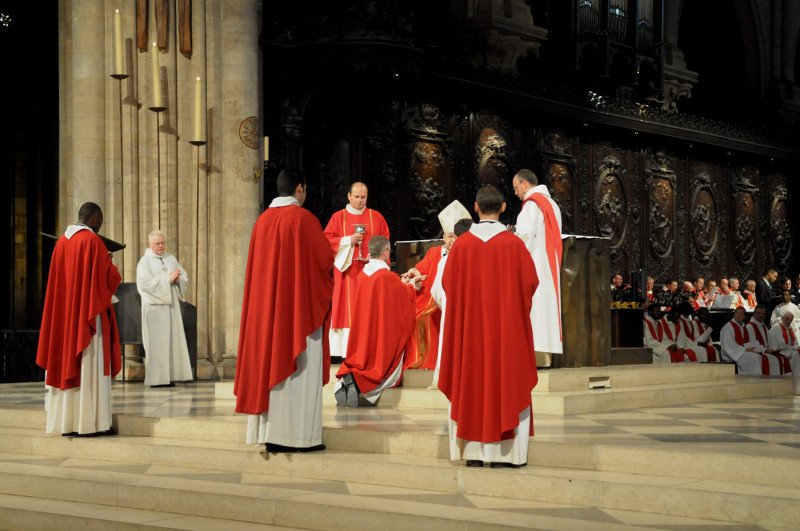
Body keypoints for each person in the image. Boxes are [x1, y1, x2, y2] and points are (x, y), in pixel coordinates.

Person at [234, 169, 334, 452]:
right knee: (300, 372)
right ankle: (299, 438)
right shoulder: (304, 220)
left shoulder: (262, 222)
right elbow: (324, 263)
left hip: (268, 315)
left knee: (271, 363)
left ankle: (271, 433)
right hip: (299, 316)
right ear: (299, 189)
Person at [439, 184, 538, 469]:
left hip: (471, 338)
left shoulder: (462, 247)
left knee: (471, 379)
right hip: (506, 336)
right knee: (507, 378)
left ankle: (473, 452)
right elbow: (530, 285)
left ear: (476, 207)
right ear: (504, 208)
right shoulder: (514, 245)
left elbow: (448, 287)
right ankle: (506, 456)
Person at [36, 202, 121, 437]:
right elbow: (108, 280)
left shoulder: (62, 241)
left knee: (67, 360)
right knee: (89, 364)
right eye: (101, 221)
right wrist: (110, 261)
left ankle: (68, 423)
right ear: (93, 219)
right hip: (88, 320)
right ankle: (90, 424)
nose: (100, 225)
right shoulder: (92, 241)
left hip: (66, 319)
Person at [335, 236, 422, 407]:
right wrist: (412, 285)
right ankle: (360, 383)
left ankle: (350, 378)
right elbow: (402, 298)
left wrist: (400, 283)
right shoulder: (387, 277)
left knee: (363, 355)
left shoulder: (362, 275)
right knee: (380, 363)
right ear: (384, 253)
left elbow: (385, 294)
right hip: (379, 331)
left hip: (364, 329)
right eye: (389, 251)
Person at [323, 182, 390, 359]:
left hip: (370, 272)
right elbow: (327, 241)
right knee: (347, 308)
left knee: (368, 309)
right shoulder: (338, 217)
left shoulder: (376, 217)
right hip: (346, 273)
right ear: (349, 196)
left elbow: (385, 243)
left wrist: (375, 257)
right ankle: (345, 351)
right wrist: (348, 240)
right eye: (357, 197)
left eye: (363, 197)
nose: (360, 201)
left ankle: (367, 348)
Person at [402, 200, 471, 370]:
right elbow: (421, 270)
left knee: (427, 316)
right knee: (415, 316)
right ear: (443, 237)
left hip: (457, 302)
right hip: (433, 299)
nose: (452, 240)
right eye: (449, 236)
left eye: (456, 235)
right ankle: (424, 362)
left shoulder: (469, 253)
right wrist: (414, 273)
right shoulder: (435, 253)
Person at [512, 169, 563, 355]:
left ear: (525, 184)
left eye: (516, 188)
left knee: (535, 306)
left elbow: (524, 236)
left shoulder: (532, 205)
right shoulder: (552, 204)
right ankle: (545, 355)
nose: (515, 193)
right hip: (549, 265)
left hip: (535, 263)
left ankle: (533, 354)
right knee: (546, 306)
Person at [136, 229, 193, 387]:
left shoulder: (170, 258)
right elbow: (144, 284)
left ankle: (170, 376)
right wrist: (167, 279)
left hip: (171, 308)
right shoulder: (144, 262)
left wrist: (177, 280)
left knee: (171, 342)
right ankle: (157, 380)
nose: (161, 246)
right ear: (150, 244)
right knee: (157, 344)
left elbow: (183, 276)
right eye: (157, 243)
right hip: (155, 309)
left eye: (163, 243)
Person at [429, 218, 473, 390]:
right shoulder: (481, 255)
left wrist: (446, 306)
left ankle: (447, 380)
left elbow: (437, 291)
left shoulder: (446, 260)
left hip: (452, 312)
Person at [720, 306, 775, 375]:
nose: (739, 315)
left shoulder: (744, 327)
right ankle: (752, 381)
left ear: (744, 317)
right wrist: (745, 349)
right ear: (734, 314)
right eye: (737, 313)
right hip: (732, 354)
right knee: (755, 357)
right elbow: (729, 346)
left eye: (741, 314)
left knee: (760, 356)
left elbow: (749, 343)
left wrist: (761, 349)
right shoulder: (728, 327)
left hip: (741, 352)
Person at [748, 304, 786, 374]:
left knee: (783, 357)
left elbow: (771, 339)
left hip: (766, 351)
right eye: (758, 313)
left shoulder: (763, 325)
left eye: (763, 314)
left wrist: (775, 347)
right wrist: (765, 350)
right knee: (775, 361)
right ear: (754, 313)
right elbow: (752, 345)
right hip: (757, 353)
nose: (761, 315)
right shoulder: (750, 327)